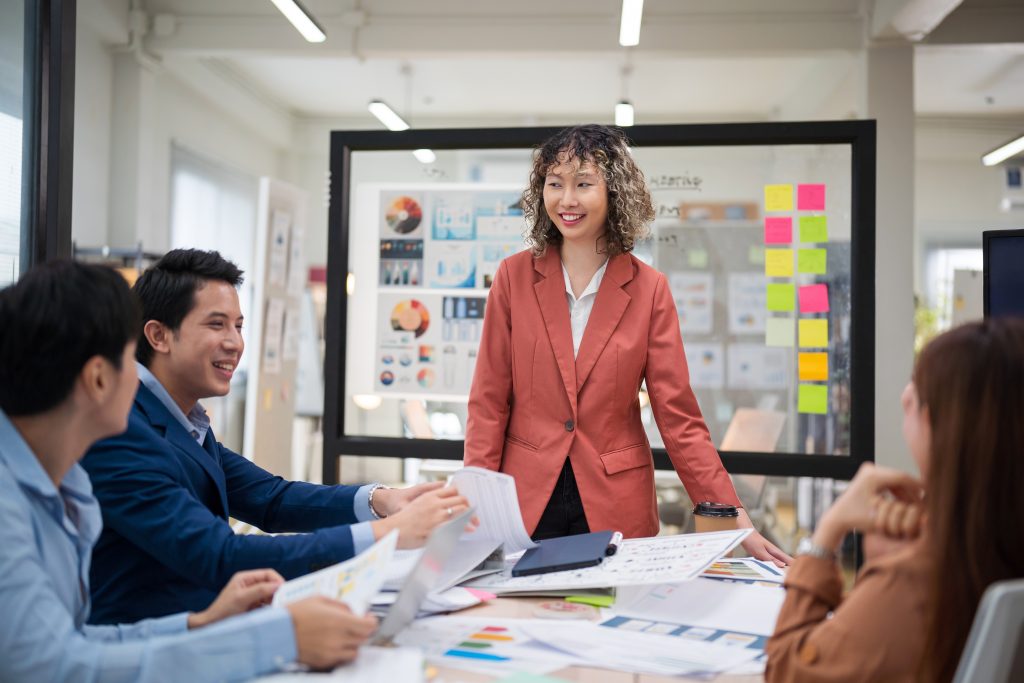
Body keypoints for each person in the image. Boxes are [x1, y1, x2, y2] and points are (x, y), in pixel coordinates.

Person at [0, 261, 379, 681]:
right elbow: (58, 667)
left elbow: (74, 639)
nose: (235, 343)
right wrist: (279, 638)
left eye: (238, 326)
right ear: (98, 379)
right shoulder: (16, 500)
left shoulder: (63, 478)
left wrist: (197, 626)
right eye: (129, 359)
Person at [82, 249, 471, 624]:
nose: (234, 343)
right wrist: (384, 534)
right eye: (216, 324)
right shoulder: (121, 429)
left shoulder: (184, 421)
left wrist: (382, 500)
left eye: (238, 325)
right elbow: (220, 555)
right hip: (150, 647)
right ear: (158, 336)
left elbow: (271, 499)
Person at [464, 124, 789, 564]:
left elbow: (679, 418)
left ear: (613, 191)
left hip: (613, 501)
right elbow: (488, 402)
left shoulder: (649, 289)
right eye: (554, 185)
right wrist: (478, 500)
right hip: (525, 498)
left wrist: (733, 515)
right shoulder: (513, 278)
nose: (567, 200)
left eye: (583, 184)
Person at [766, 318, 1024, 682]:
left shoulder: (917, 583)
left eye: (921, 389)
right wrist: (884, 568)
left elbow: (785, 670)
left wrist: (827, 534)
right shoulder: (985, 548)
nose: (906, 396)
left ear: (944, 426)